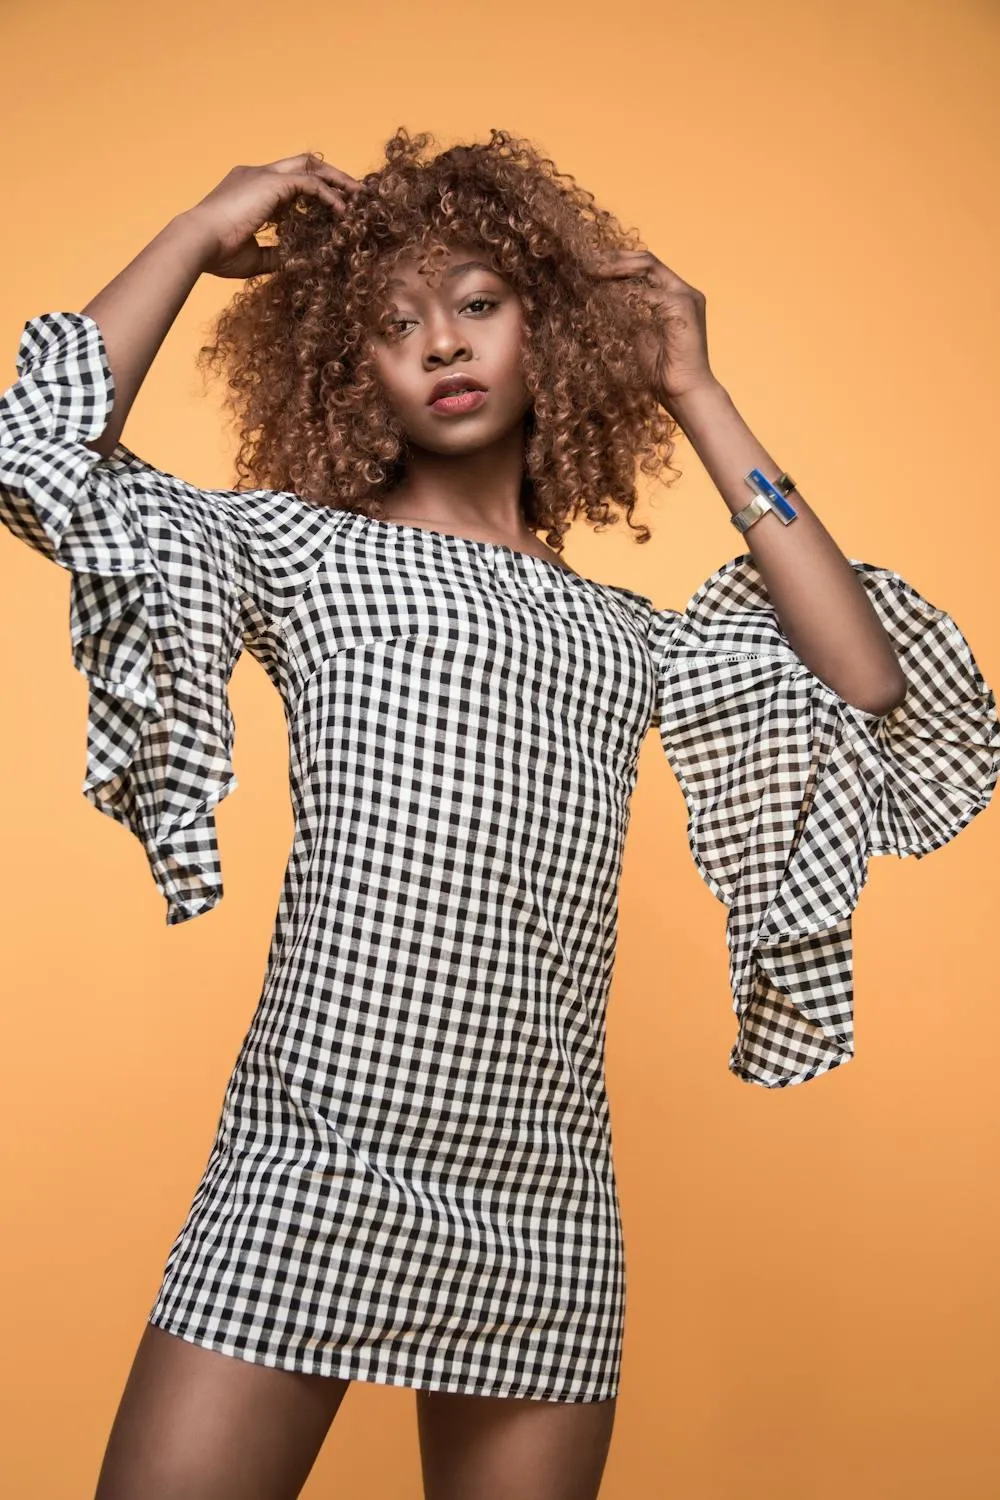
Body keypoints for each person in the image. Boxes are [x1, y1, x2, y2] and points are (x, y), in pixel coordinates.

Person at [1, 129, 997, 1500]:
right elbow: (31, 456)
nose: (442, 345)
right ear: (347, 369)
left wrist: (697, 389)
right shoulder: (302, 551)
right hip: (314, 1163)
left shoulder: (628, 635)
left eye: (478, 302)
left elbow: (867, 678)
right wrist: (193, 234)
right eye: (394, 325)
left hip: (543, 1199)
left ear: (552, 333)